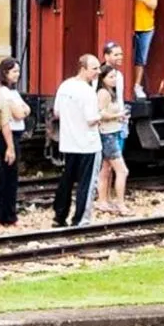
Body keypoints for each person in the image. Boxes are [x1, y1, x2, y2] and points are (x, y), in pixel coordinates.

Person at [51, 55, 103, 227]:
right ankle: (81, 219)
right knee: (86, 184)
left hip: (69, 142)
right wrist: (104, 115)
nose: (98, 72)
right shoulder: (87, 92)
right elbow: (91, 119)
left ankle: (59, 215)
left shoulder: (65, 86)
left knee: (67, 180)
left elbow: (57, 112)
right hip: (88, 144)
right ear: (83, 68)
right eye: (94, 68)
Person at [0, 59, 30, 226]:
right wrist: (22, 110)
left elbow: (25, 109)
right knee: (9, 175)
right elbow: (20, 113)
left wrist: (22, 109)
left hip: (15, 133)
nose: (18, 74)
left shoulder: (12, 92)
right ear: (5, 73)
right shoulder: (4, 93)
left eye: (18, 71)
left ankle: (0, 211)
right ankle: (8, 215)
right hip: (9, 135)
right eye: (14, 71)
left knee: (6, 175)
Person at [95, 64, 130, 216]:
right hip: (108, 135)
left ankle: (103, 201)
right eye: (111, 77)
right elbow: (99, 114)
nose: (114, 79)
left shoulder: (109, 92)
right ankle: (120, 204)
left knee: (105, 170)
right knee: (122, 171)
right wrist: (118, 116)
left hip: (110, 133)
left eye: (115, 76)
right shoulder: (104, 93)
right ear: (103, 79)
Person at [129, 0, 158, 98]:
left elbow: (153, 5)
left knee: (141, 59)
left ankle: (137, 86)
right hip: (132, 27)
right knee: (129, 57)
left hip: (146, 28)